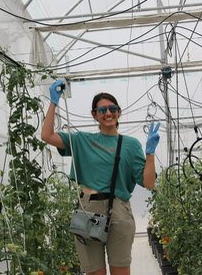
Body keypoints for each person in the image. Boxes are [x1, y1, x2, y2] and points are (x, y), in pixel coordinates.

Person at [41, 80, 160, 275]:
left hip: (119, 210)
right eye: (102, 110)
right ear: (94, 115)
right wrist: (54, 102)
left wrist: (150, 154)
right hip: (88, 210)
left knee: (120, 269)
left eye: (112, 108)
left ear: (119, 112)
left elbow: (148, 183)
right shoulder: (82, 140)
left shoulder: (130, 145)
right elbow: (47, 135)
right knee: (94, 271)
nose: (108, 113)